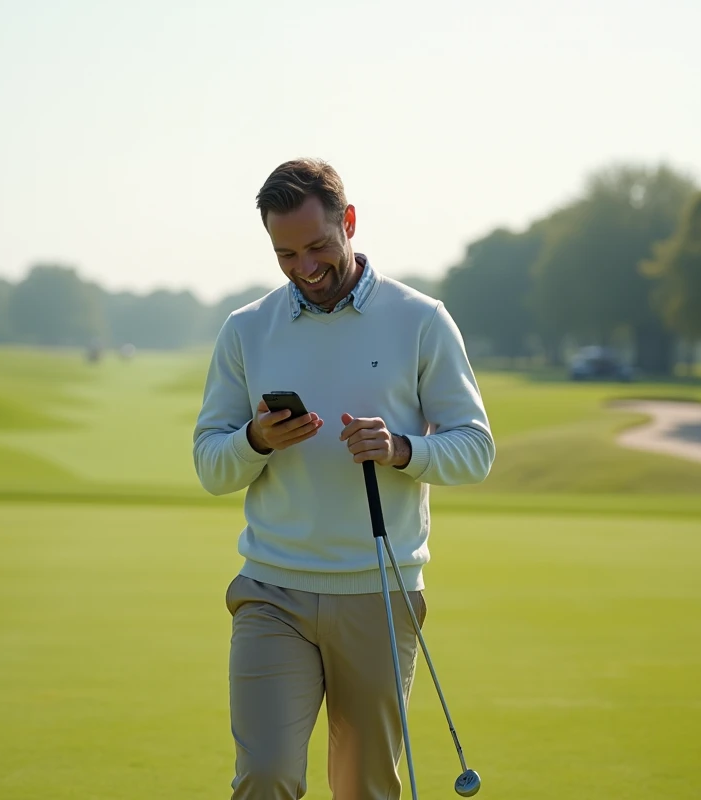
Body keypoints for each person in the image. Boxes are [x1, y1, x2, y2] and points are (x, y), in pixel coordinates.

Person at [192, 158, 494, 799]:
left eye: (318, 246)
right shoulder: (247, 329)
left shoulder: (421, 319)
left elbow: (475, 449)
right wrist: (255, 440)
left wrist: (403, 449)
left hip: (380, 596)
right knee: (266, 775)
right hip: (272, 591)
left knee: (364, 788)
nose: (304, 267)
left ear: (349, 222)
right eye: (286, 253)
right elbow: (211, 465)